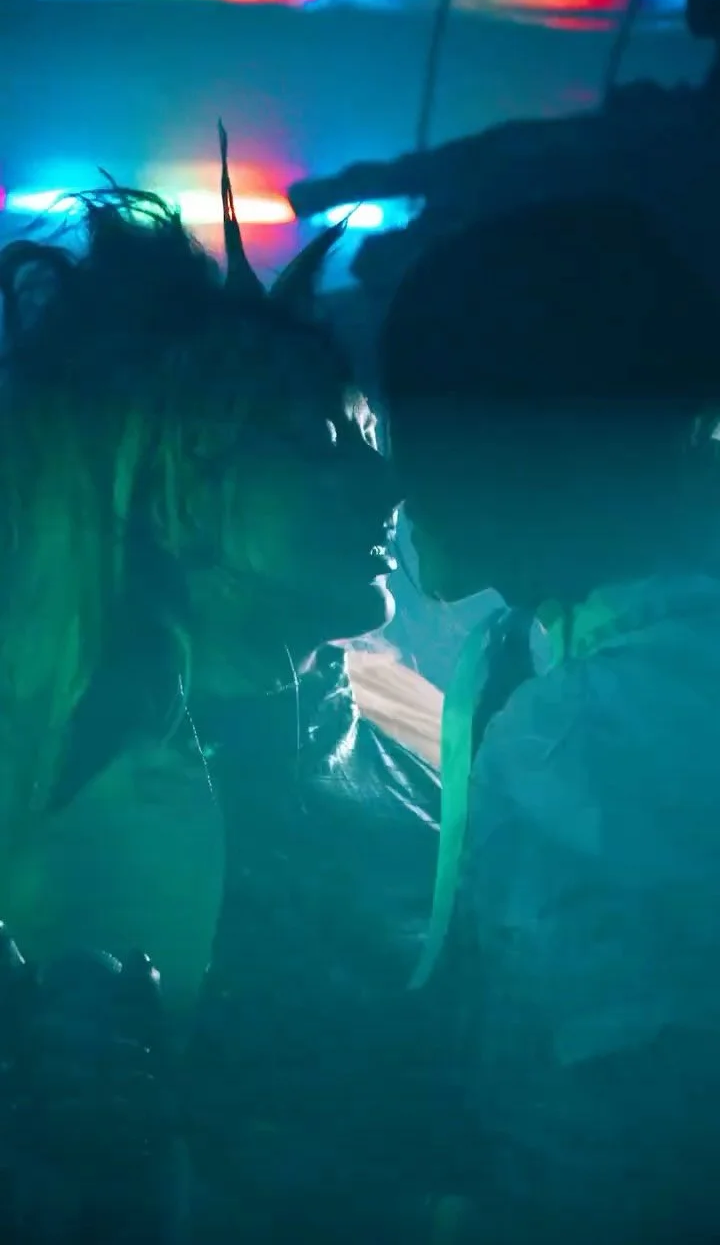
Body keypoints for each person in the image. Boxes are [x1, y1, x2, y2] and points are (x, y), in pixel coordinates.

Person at [0, 133, 444, 1239]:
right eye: (317, 442)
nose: (384, 480)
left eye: (366, 434)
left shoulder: (435, 744)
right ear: (163, 486)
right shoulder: (39, 796)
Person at [379, 195, 720, 1243]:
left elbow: (599, 1148)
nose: (386, 475)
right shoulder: (539, 661)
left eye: (407, 426)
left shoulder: (581, 737)